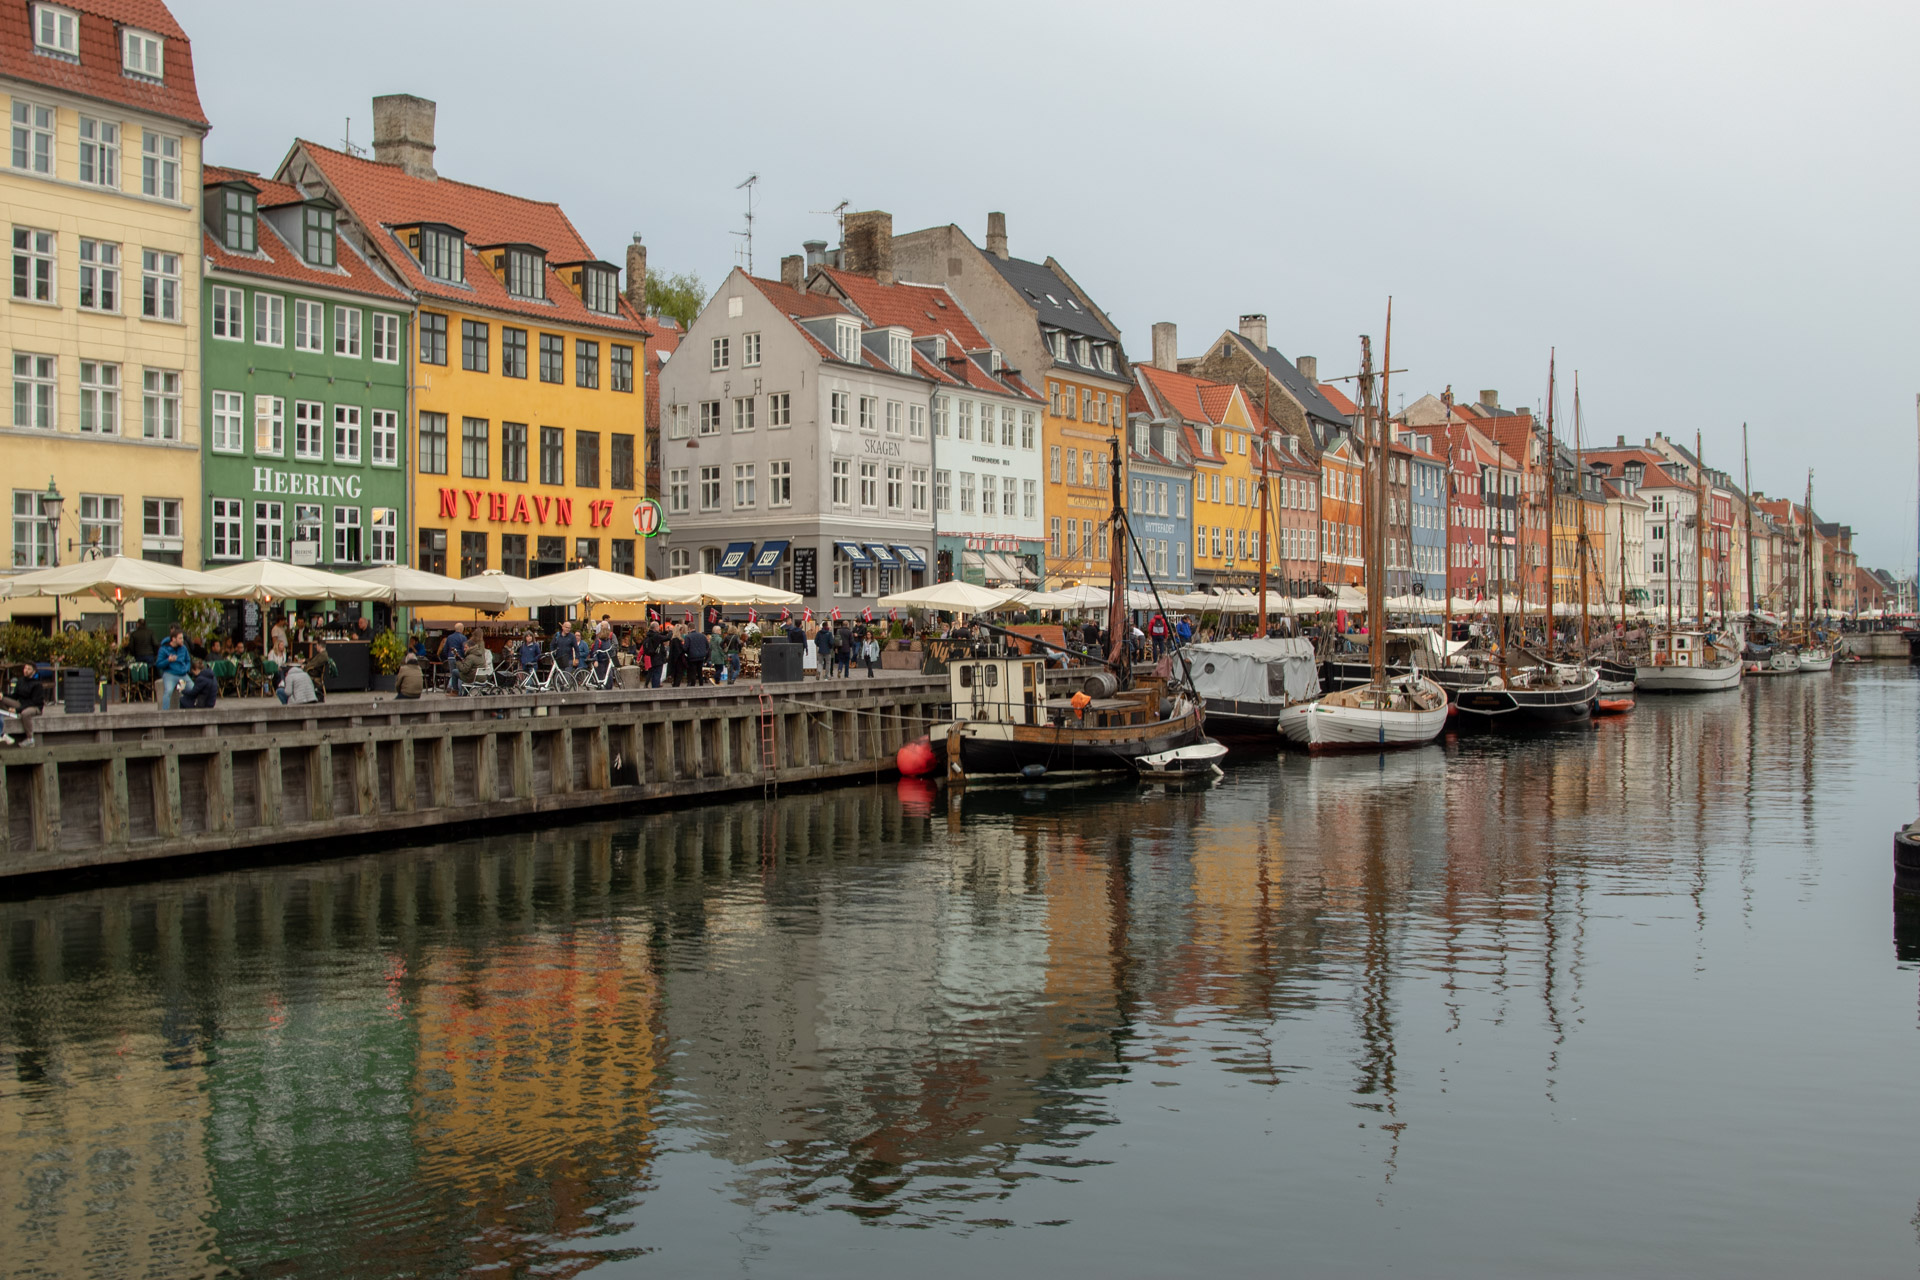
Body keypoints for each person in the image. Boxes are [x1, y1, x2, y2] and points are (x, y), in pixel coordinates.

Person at [1, 660, 48, 746]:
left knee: (25, 713)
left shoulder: (37, 684)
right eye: (25, 668)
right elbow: (15, 696)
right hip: (22, 704)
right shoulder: (21, 680)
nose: (26, 670)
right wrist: (3, 695)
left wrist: (17, 710)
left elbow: (33, 702)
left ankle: (30, 739)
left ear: (33, 671)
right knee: (2, 699)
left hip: (35, 707)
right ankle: (10, 714)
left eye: (29, 669)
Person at [155, 625, 191, 709]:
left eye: (182, 638)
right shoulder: (164, 649)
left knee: (192, 689)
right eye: (180, 638)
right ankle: (165, 713)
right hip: (170, 674)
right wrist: (168, 660)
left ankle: (188, 709)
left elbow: (188, 660)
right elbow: (158, 664)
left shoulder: (183, 648)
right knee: (168, 691)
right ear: (174, 639)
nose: (182, 640)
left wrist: (186, 669)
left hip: (182, 675)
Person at [440, 623, 469, 694]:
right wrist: (464, 657)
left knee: (452, 672)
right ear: (462, 629)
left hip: (450, 657)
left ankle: (450, 686)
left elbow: (445, 649)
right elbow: (464, 649)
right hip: (459, 658)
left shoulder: (449, 637)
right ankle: (454, 688)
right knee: (459, 673)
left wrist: (448, 656)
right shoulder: (463, 638)